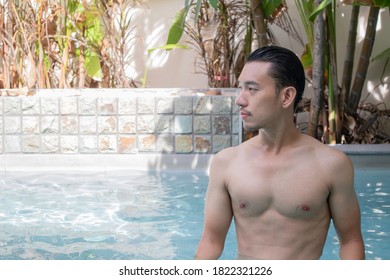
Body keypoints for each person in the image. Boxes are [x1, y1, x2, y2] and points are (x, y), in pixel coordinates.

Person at [195, 46, 365, 260]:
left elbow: (351, 241)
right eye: (241, 88)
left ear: (286, 96)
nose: (240, 99)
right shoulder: (226, 163)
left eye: (252, 89)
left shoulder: (331, 165)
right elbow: (211, 241)